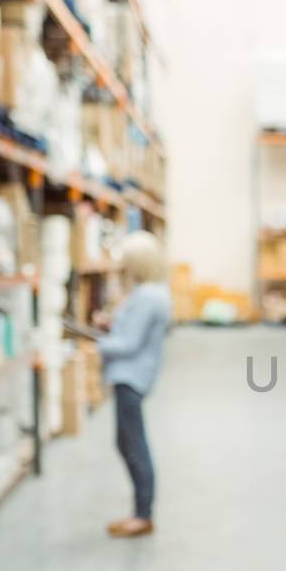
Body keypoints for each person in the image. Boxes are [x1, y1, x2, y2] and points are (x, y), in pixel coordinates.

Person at [96, 230, 172, 539]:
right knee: (125, 442)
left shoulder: (149, 296)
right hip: (130, 376)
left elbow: (128, 344)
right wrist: (110, 325)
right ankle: (140, 512)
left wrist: (95, 343)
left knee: (134, 445)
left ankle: (143, 515)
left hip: (131, 377)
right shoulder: (148, 293)